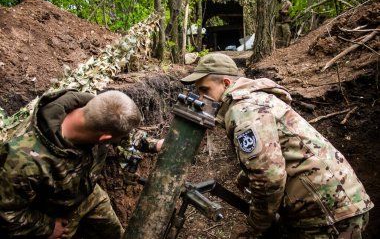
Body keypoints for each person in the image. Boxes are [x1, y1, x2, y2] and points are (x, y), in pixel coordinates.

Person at [180, 53, 374, 239]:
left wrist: (257, 224)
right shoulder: (255, 100)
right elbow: (281, 153)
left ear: (226, 83)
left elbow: (268, 177)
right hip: (333, 202)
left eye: (205, 90)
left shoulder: (245, 110)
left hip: (326, 212)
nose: (201, 98)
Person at [0, 89, 162, 239]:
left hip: (88, 194)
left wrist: (155, 144)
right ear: (104, 139)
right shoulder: (22, 161)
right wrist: (47, 227)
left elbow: (122, 131)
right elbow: (7, 214)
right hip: (50, 213)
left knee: (115, 234)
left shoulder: (97, 110)